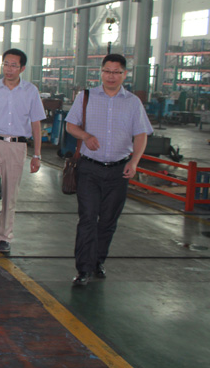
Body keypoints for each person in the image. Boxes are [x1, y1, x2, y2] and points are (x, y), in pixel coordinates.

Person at [65, 53, 152, 286]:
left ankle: (98, 261)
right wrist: (85, 136)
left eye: (116, 72)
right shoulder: (86, 97)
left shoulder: (133, 102)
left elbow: (141, 134)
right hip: (89, 169)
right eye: (107, 71)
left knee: (108, 221)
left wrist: (134, 162)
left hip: (118, 171)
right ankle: (83, 269)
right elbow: (71, 125)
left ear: (124, 74)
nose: (111, 76)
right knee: (87, 218)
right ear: (100, 72)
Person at [0, 48, 45, 256]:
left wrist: (37, 154)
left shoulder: (30, 91)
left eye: (13, 65)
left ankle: (4, 237)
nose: (9, 69)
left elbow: (36, 123)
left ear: (22, 68)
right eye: (6, 64)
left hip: (17, 146)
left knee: (10, 195)